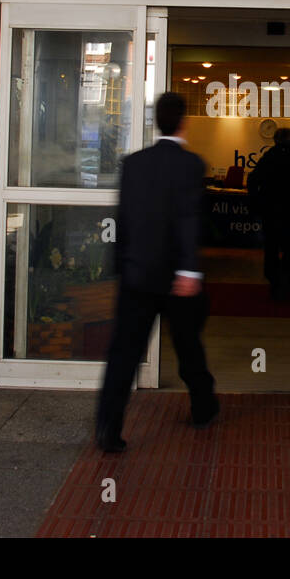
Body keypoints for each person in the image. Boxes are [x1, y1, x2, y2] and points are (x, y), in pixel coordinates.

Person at [95, 92, 219, 453]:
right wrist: (190, 271)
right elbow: (188, 220)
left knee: (124, 354)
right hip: (176, 279)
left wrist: (120, 267)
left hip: (136, 275)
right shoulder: (192, 165)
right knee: (188, 346)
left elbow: (124, 220)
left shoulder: (132, 164)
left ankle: (107, 427)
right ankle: (203, 408)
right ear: (184, 122)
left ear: (156, 122)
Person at [247, 127, 290, 299]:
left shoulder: (269, 157)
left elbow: (253, 179)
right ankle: (285, 281)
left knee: (271, 248)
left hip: (271, 210)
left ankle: (274, 280)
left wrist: (258, 200)